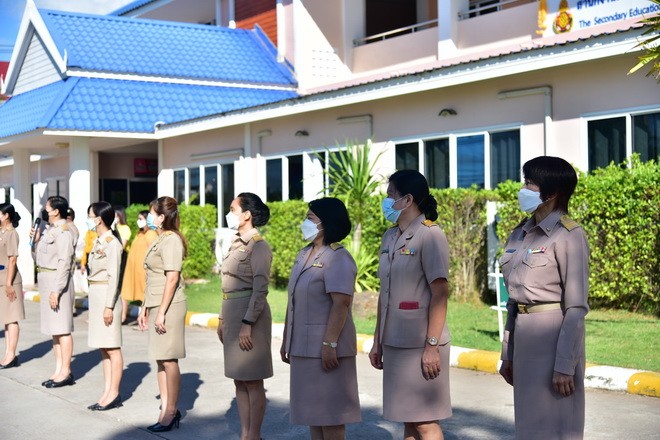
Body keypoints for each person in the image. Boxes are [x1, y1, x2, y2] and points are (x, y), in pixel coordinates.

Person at [498, 156, 589, 440]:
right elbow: (515, 301)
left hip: (553, 341)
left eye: (530, 184)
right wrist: (507, 354)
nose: (523, 190)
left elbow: (576, 307)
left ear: (551, 193)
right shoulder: (520, 233)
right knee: (529, 428)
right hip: (524, 340)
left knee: (557, 428)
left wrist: (565, 365)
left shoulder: (569, 235)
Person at [369, 170, 451, 440]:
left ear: (407, 200)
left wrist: (432, 346)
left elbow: (440, 293)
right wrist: (377, 341)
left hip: (420, 343)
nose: (386, 201)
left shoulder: (430, 235)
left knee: (425, 422)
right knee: (408, 418)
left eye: (390, 195)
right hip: (394, 341)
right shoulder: (390, 237)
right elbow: (385, 293)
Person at [281, 197, 361, 440]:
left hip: (327, 350)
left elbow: (341, 303)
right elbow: (293, 302)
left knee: (331, 418)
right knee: (313, 416)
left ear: (325, 223)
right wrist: (287, 340)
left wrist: (329, 344)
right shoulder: (304, 254)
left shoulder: (338, 257)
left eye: (310, 218)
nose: (305, 222)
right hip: (303, 349)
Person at [217, 192, 273, 440]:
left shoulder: (258, 245)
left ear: (247, 215)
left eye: (233, 209)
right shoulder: (235, 242)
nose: (229, 214)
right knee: (239, 379)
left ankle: (254, 435)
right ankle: (245, 434)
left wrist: (247, 323)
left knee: (252, 380)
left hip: (249, 316)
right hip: (231, 313)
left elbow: (260, 289)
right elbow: (227, 284)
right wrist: (222, 318)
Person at [137, 196, 187, 432]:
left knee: (169, 358)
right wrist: (145, 307)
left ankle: (171, 410)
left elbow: (172, 278)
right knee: (160, 358)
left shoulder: (171, 240)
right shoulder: (160, 238)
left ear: (161, 217)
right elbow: (152, 278)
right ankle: (165, 407)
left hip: (170, 305)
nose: (148, 217)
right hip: (157, 302)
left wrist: (162, 313)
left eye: (151, 213)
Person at [31, 195, 76, 388]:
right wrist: (34, 241)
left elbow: (64, 263)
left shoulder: (63, 232)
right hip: (46, 279)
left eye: (47, 208)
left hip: (58, 282)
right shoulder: (49, 230)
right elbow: (38, 258)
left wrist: (56, 290)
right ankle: (58, 369)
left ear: (56, 211)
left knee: (62, 329)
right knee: (54, 330)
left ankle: (66, 371)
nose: (44, 211)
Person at [85, 202, 124, 411]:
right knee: (104, 348)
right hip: (97, 297)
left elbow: (113, 277)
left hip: (107, 299)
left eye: (90, 216)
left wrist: (108, 306)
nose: (89, 220)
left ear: (99, 219)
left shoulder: (112, 243)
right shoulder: (98, 241)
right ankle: (107, 391)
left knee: (112, 347)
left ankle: (114, 393)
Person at [120, 210, 157, 323]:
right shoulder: (139, 234)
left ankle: (145, 320)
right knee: (125, 292)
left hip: (143, 271)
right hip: (132, 270)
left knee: (144, 294)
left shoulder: (151, 234)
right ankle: (123, 317)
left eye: (141, 219)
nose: (138, 221)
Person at [0, 203, 24, 369]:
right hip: (1, 279)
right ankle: (8, 353)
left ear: (6, 215)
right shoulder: (1, 232)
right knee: (6, 318)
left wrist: (9, 284)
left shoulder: (11, 234)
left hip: (10, 280)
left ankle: (11, 354)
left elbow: (12, 259)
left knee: (12, 317)